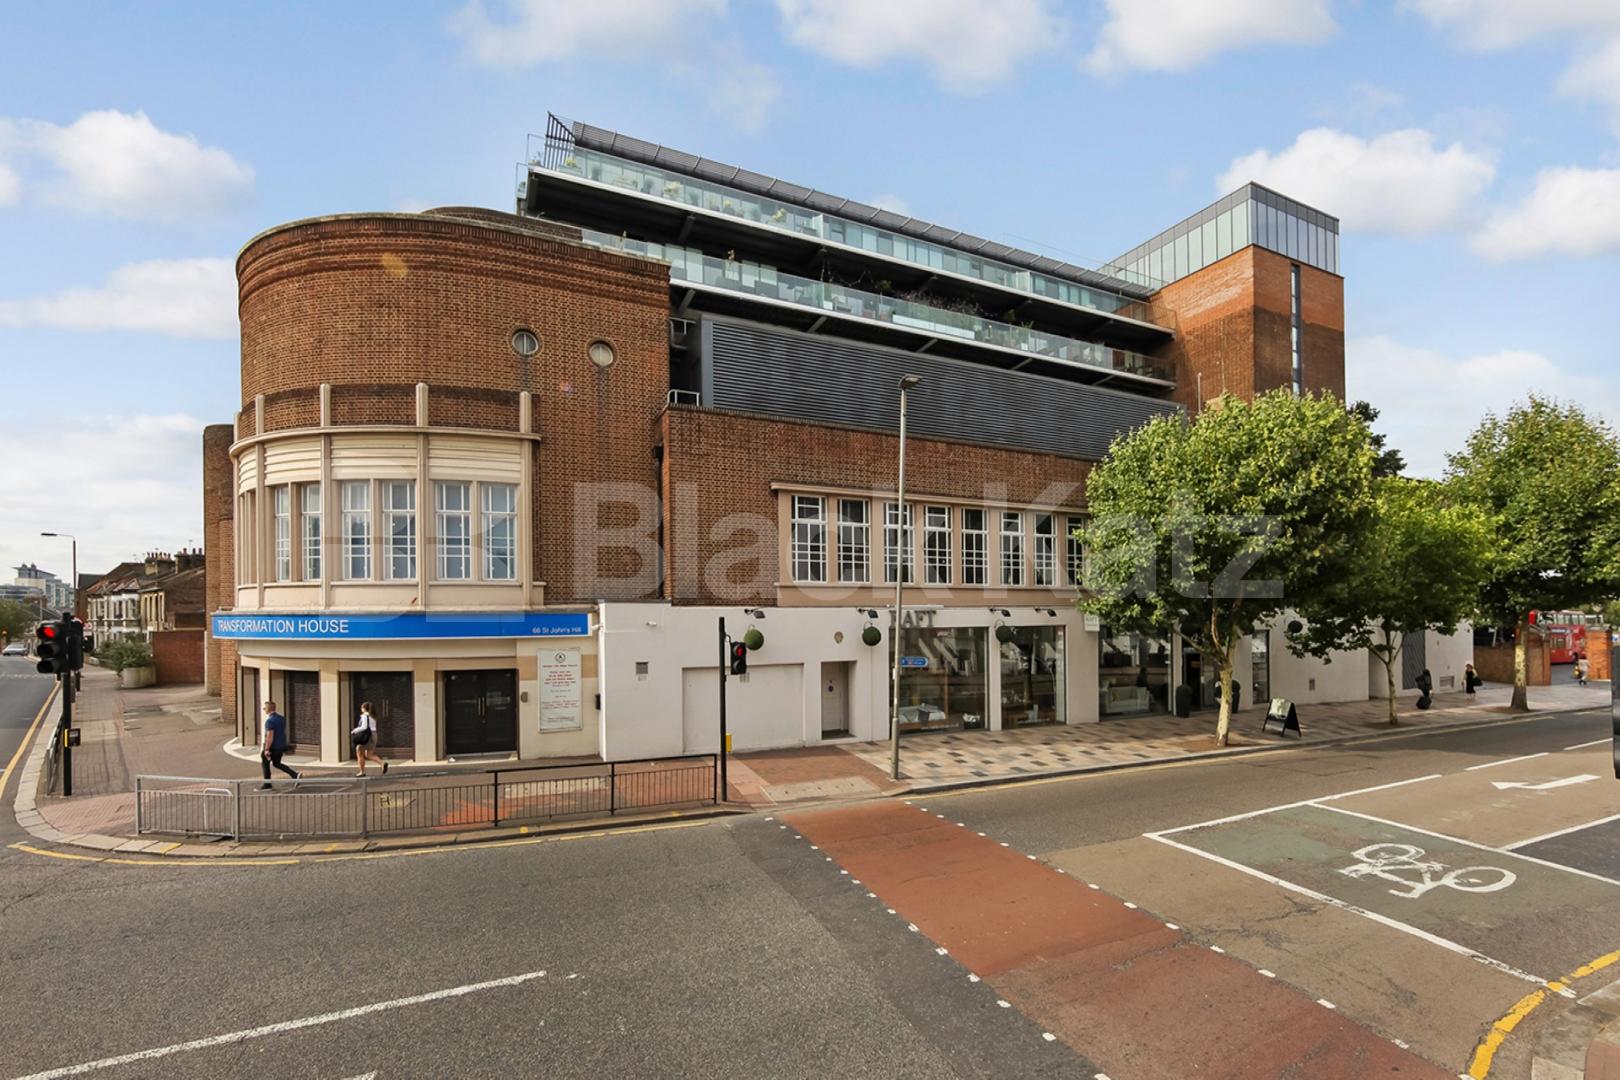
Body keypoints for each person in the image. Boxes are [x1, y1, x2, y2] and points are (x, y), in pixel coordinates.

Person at [259, 701, 299, 790]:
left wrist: (266, 749)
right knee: (277, 763)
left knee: (265, 763)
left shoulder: (269, 721)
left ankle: (267, 784)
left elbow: (270, 736)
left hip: (273, 747)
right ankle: (294, 775)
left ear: (268, 709)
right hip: (281, 746)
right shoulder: (281, 718)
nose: (264, 710)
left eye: (264, 708)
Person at [352, 701, 388, 778]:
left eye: (362, 707)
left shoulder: (364, 716)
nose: (361, 709)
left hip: (367, 736)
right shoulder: (373, 716)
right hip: (374, 735)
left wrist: (355, 730)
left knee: (359, 751)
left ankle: (362, 772)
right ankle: (382, 763)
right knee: (369, 754)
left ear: (364, 708)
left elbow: (364, 727)